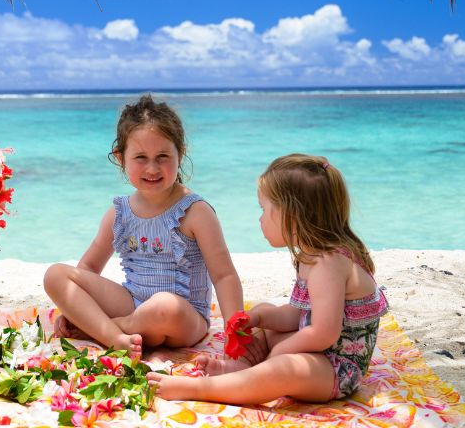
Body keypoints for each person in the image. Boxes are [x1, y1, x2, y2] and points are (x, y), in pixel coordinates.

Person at [146, 154, 389, 404]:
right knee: (264, 312)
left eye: (264, 209)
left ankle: (201, 389)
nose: (260, 219)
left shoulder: (328, 264)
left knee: (284, 368)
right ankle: (238, 371)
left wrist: (280, 351)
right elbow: (298, 314)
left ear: (292, 215)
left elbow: (324, 333)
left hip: (338, 368)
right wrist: (259, 318)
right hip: (321, 352)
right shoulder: (312, 255)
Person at [43, 95, 243, 359]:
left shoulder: (195, 211)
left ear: (180, 154)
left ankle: (108, 330)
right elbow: (89, 269)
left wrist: (235, 335)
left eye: (162, 156)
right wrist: (71, 310)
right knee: (56, 275)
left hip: (182, 319)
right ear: (120, 158)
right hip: (132, 303)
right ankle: (116, 337)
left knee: (164, 306)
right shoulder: (119, 212)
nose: (152, 167)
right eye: (140, 157)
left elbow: (224, 275)